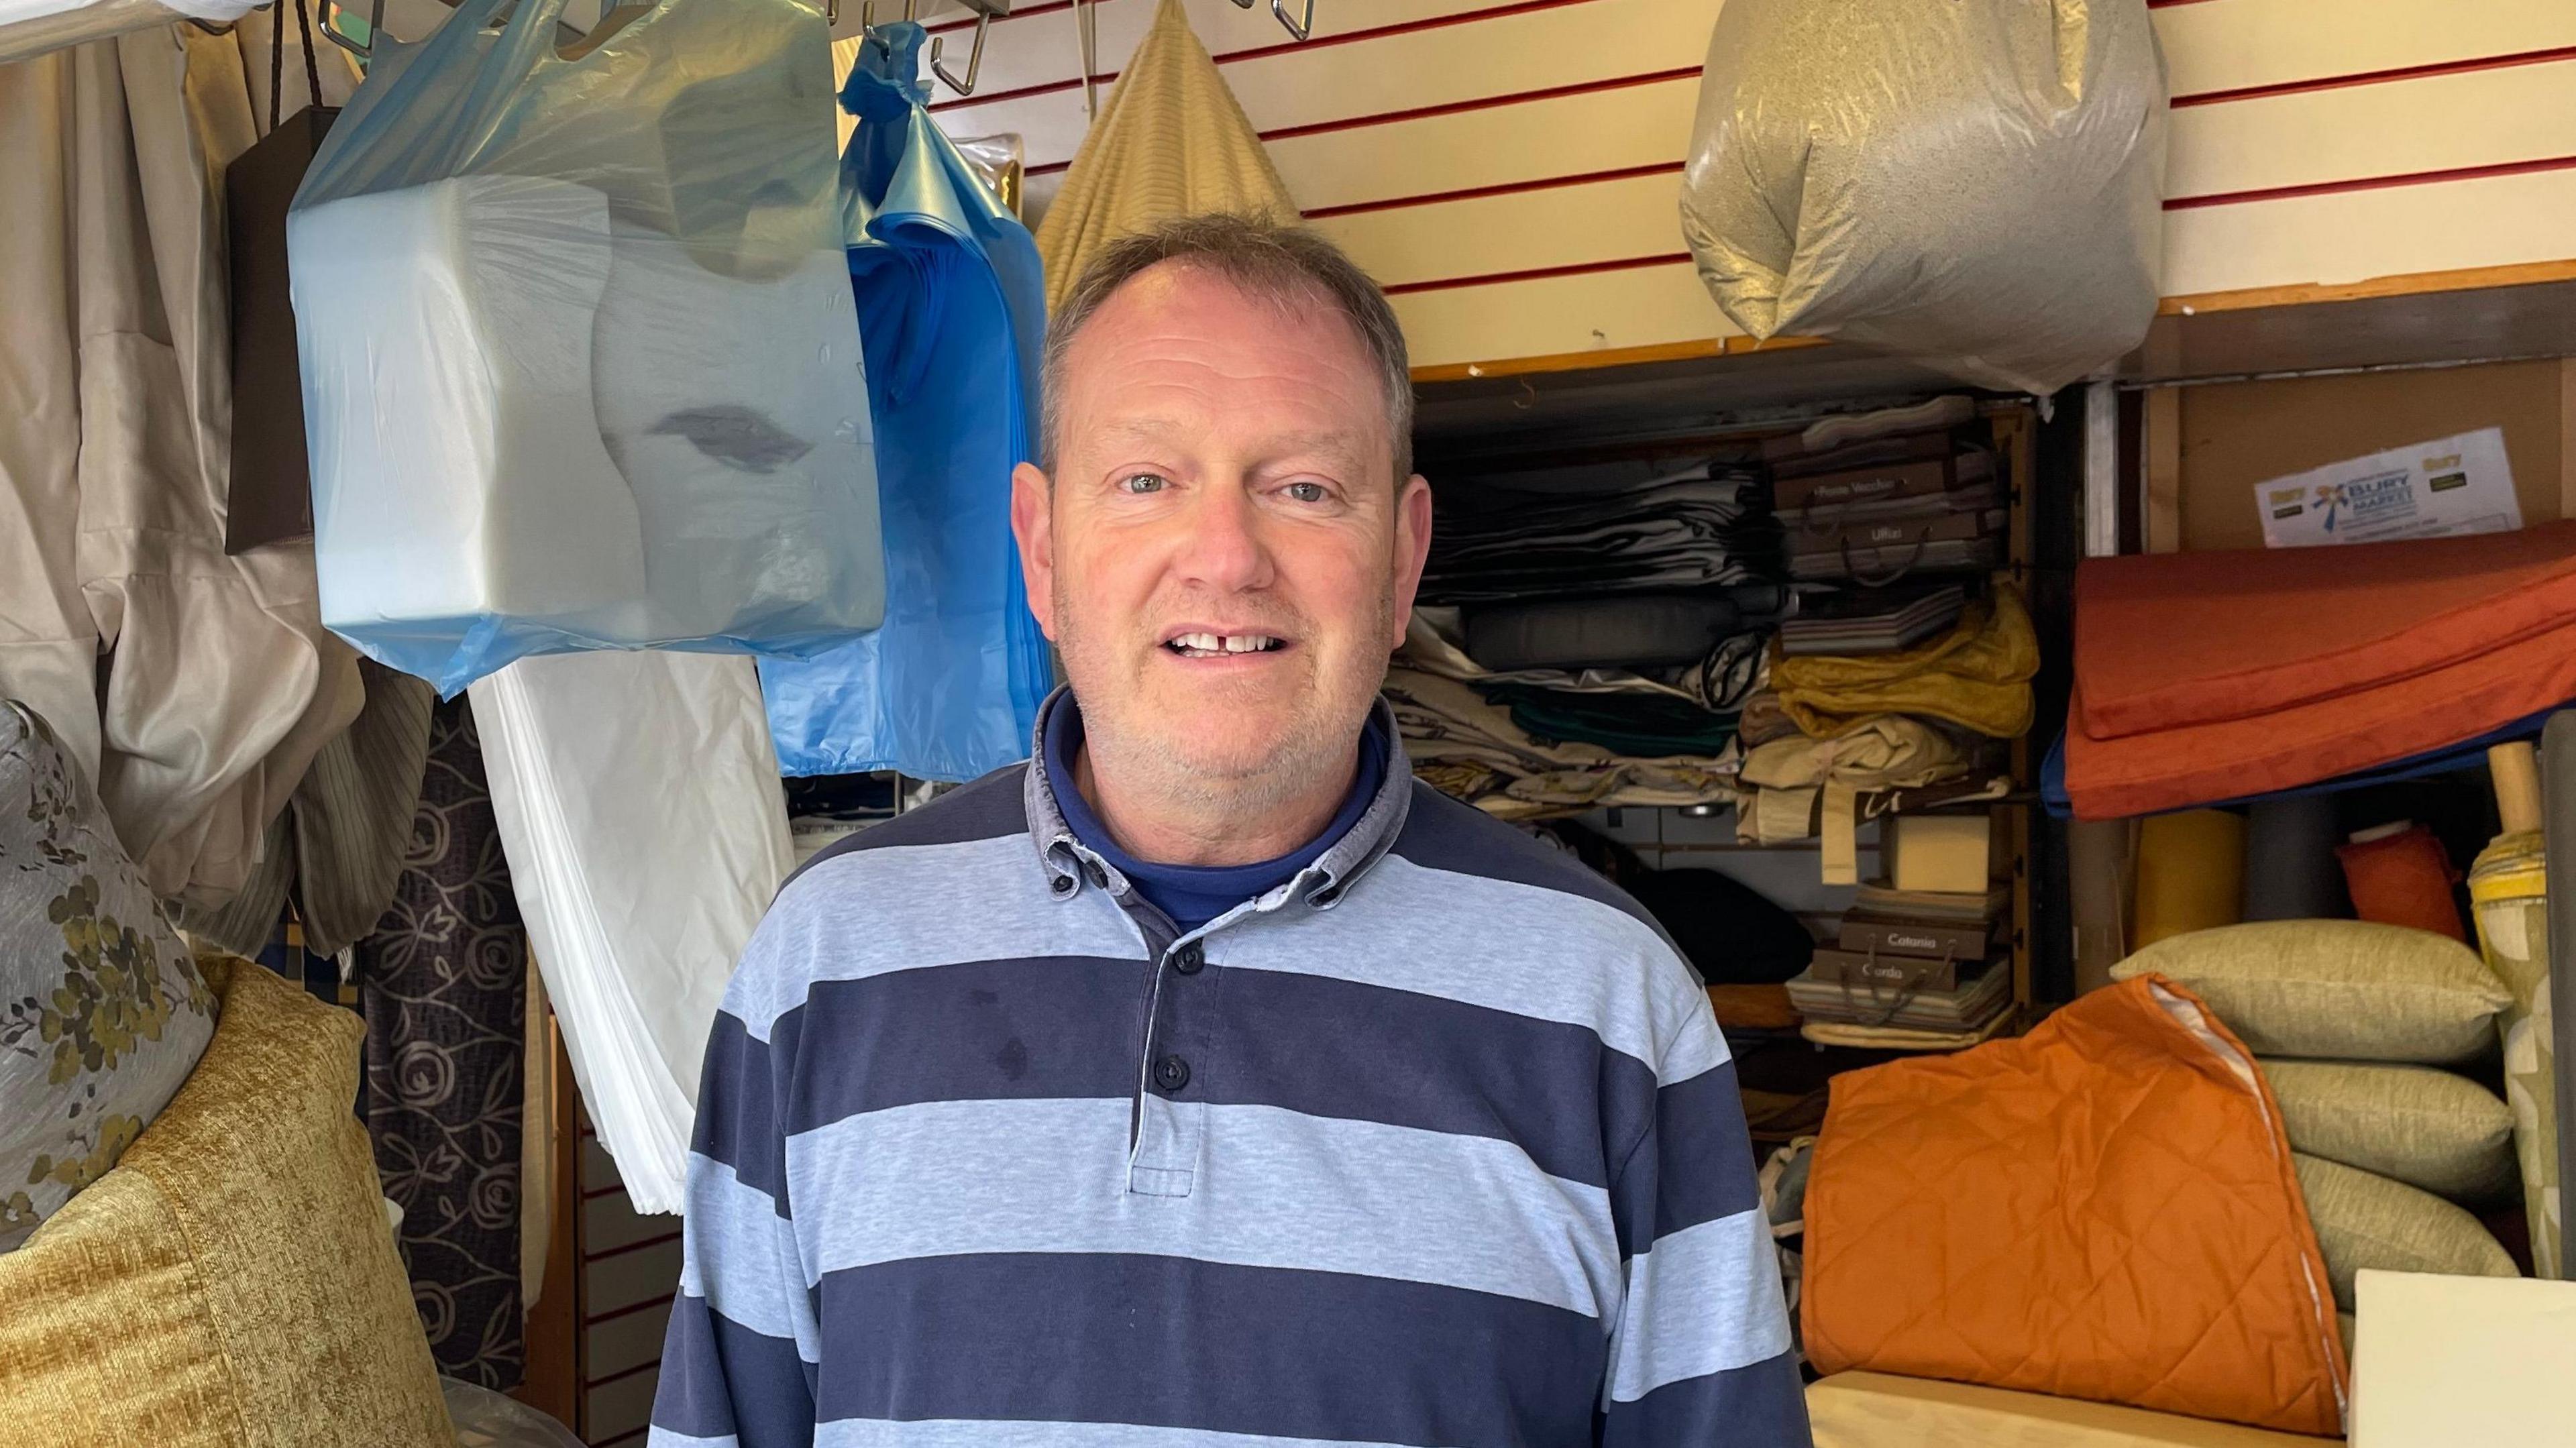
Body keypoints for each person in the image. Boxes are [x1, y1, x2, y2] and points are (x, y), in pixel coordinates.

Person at [648, 214, 1809, 1447]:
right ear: (1042, 551)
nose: (1225, 557)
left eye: (1303, 488)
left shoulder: (1610, 1005)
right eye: (1147, 481)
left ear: (1404, 557)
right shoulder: (824, 961)